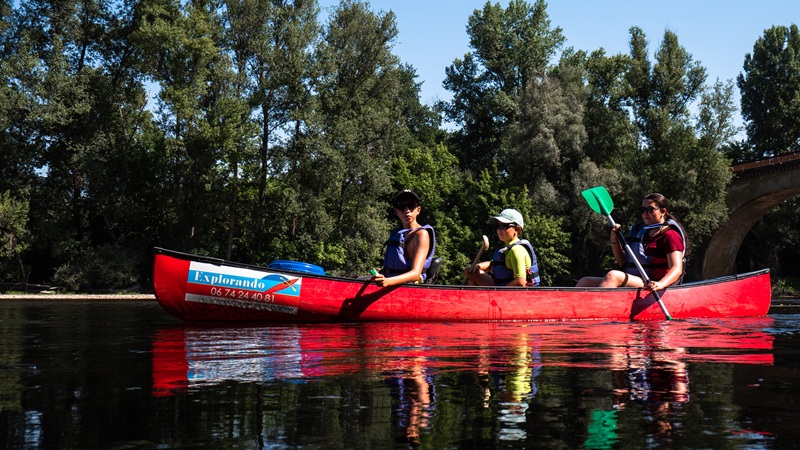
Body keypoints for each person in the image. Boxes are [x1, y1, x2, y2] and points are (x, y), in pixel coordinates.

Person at [576, 193, 686, 290]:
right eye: (643, 210)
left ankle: (597, 311)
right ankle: (571, 312)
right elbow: (623, 263)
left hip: (653, 282)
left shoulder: (670, 236)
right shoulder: (641, 232)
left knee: (613, 276)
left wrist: (661, 284)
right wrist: (615, 240)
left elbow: (676, 268)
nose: (645, 213)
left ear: (663, 211)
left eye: (650, 209)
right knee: (585, 282)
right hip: (637, 279)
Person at [373, 189, 436, 287]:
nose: (407, 210)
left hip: (407, 288)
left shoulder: (421, 234)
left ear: (418, 210)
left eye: (411, 206)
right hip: (389, 283)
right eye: (402, 206)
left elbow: (415, 274)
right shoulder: (396, 233)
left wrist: (388, 282)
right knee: (355, 279)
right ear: (397, 212)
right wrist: (358, 279)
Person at [464, 208, 541, 287]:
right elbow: (495, 264)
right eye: (498, 226)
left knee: (472, 275)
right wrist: (476, 267)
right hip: (503, 291)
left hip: (513, 295)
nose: (499, 230)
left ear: (517, 229)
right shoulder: (507, 248)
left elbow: (520, 282)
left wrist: (498, 294)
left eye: (504, 226)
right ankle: (475, 298)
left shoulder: (516, 250)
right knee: (472, 274)